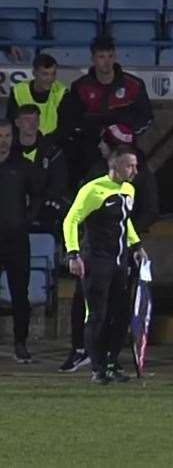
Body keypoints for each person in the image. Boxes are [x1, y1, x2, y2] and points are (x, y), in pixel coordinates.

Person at [58, 123, 158, 373]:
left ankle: (113, 362)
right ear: (115, 166)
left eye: (135, 166)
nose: (135, 171)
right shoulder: (93, 190)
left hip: (119, 261)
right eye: (129, 166)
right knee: (97, 315)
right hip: (96, 260)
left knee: (121, 314)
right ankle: (98, 368)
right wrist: (73, 254)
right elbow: (71, 220)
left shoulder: (128, 189)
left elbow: (125, 221)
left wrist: (136, 245)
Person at [61, 35, 153, 188]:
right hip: (93, 147)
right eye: (101, 57)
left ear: (115, 56)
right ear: (93, 59)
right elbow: (74, 121)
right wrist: (99, 136)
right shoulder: (80, 87)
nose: (107, 61)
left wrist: (125, 134)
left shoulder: (134, 85)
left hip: (126, 146)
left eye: (110, 56)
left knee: (142, 173)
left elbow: (146, 117)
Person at [0, 119, 40, 363]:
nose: (2, 141)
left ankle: (20, 343)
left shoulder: (23, 166)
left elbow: (37, 196)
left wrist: (25, 220)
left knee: (19, 295)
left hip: (16, 240)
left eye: (6, 136)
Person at [13, 104, 69, 234]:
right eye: (27, 120)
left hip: (43, 206)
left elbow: (58, 184)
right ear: (17, 123)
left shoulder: (52, 151)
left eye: (35, 120)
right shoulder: (7, 151)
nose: (32, 124)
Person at [7, 53, 68, 135]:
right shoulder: (18, 91)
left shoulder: (62, 92)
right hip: (23, 144)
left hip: (53, 144)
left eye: (53, 74)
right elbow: (11, 123)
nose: (50, 79)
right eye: (45, 74)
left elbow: (65, 127)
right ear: (34, 73)